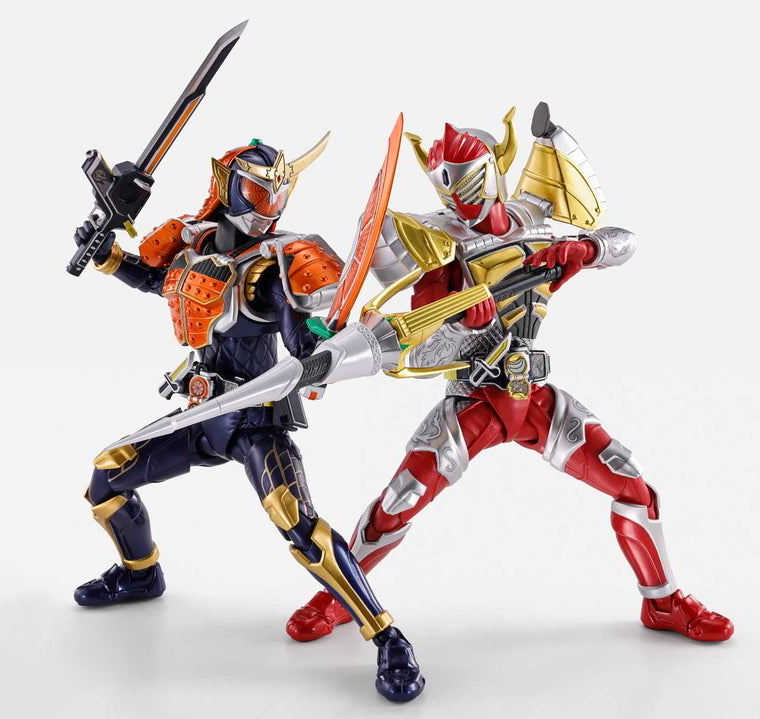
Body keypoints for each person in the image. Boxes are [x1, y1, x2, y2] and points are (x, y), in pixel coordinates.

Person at [286, 104, 734, 646]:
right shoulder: (438, 242)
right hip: (474, 400)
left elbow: (626, 242)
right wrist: (459, 319)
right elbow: (420, 344)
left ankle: (663, 602)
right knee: (400, 500)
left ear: (494, 170)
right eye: (450, 190)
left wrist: (586, 248)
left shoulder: (536, 217)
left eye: (471, 184)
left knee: (633, 484)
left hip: (533, 396)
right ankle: (338, 597)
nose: (463, 201)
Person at [71, 136, 425, 702]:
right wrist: (107, 255)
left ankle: (388, 637)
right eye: (259, 192)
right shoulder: (193, 243)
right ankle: (140, 573)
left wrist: (321, 343)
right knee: (105, 478)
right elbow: (158, 281)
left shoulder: (273, 268)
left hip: (255, 419)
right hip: (200, 416)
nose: (269, 207)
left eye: (277, 194)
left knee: (297, 520)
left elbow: (297, 330)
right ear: (228, 185)